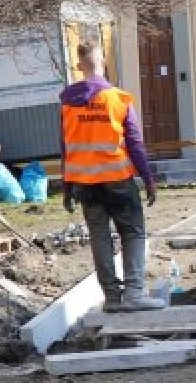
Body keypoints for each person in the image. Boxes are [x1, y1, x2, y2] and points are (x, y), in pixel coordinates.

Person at [59, 41, 164, 312]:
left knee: (100, 237)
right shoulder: (119, 99)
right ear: (103, 62)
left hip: (84, 183)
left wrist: (67, 187)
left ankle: (112, 298)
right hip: (117, 179)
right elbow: (135, 144)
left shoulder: (67, 103)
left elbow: (66, 147)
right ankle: (133, 294)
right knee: (133, 232)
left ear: (80, 65)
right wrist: (148, 180)